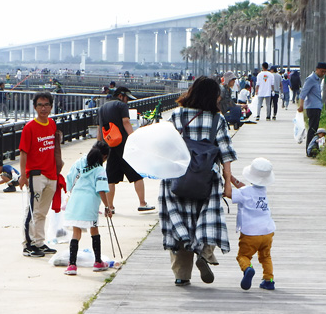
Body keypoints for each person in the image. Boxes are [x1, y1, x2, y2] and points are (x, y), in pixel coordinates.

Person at [159, 76, 237, 286]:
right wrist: (228, 183)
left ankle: (181, 275)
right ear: (212, 97)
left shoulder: (176, 115)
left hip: (176, 177)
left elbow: (165, 145)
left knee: (180, 221)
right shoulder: (216, 120)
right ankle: (204, 253)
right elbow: (226, 154)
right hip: (206, 178)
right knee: (207, 218)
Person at [97, 87, 155, 213]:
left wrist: (99, 145)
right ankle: (142, 203)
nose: (127, 101)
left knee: (110, 178)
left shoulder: (102, 108)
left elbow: (100, 128)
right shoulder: (121, 106)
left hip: (110, 146)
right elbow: (126, 122)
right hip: (124, 145)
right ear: (121, 96)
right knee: (137, 175)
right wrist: (134, 138)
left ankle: (110, 207)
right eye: (127, 98)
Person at [223, 157, 276, 291]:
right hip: (267, 231)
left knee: (243, 256)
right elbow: (244, 188)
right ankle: (269, 280)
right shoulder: (262, 191)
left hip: (251, 233)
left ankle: (248, 269)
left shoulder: (244, 193)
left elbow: (228, 193)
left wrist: (227, 177)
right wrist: (232, 179)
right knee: (265, 256)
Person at [18, 91, 59, 258]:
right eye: (40, 105)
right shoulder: (29, 128)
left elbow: (55, 147)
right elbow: (23, 152)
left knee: (42, 211)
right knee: (32, 211)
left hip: (51, 174)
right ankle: (28, 244)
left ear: (51, 107)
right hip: (36, 174)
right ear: (35, 107)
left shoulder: (52, 124)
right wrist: (22, 175)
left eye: (46, 105)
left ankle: (39, 242)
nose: (44, 108)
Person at [64, 141, 111, 276]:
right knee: (94, 229)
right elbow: (101, 190)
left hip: (75, 200)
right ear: (104, 156)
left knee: (76, 232)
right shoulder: (99, 169)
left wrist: (69, 193)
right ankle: (97, 261)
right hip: (90, 202)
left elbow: (69, 178)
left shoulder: (79, 162)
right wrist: (107, 207)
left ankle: (72, 265)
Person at [298, 62, 326, 153]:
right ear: (317, 69)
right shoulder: (311, 79)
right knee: (312, 130)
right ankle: (309, 150)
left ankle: (312, 148)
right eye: (322, 71)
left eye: (325, 72)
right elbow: (303, 93)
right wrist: (301, 106)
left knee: (314, 129)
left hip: (317, 107)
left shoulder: (317, 80)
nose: (323, 74)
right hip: (312, 108)